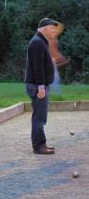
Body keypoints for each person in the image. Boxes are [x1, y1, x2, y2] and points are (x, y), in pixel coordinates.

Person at [25, 18, 62, 155]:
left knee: (40, 117)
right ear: (45, 28)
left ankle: (41, 144)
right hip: (37, 86)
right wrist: (41, 86)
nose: (54, 31)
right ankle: (39, 146)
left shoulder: (41, 42)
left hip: (39, 85)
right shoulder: (37, 43)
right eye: (52, 28)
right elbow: (38, 67)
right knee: (39, 118)